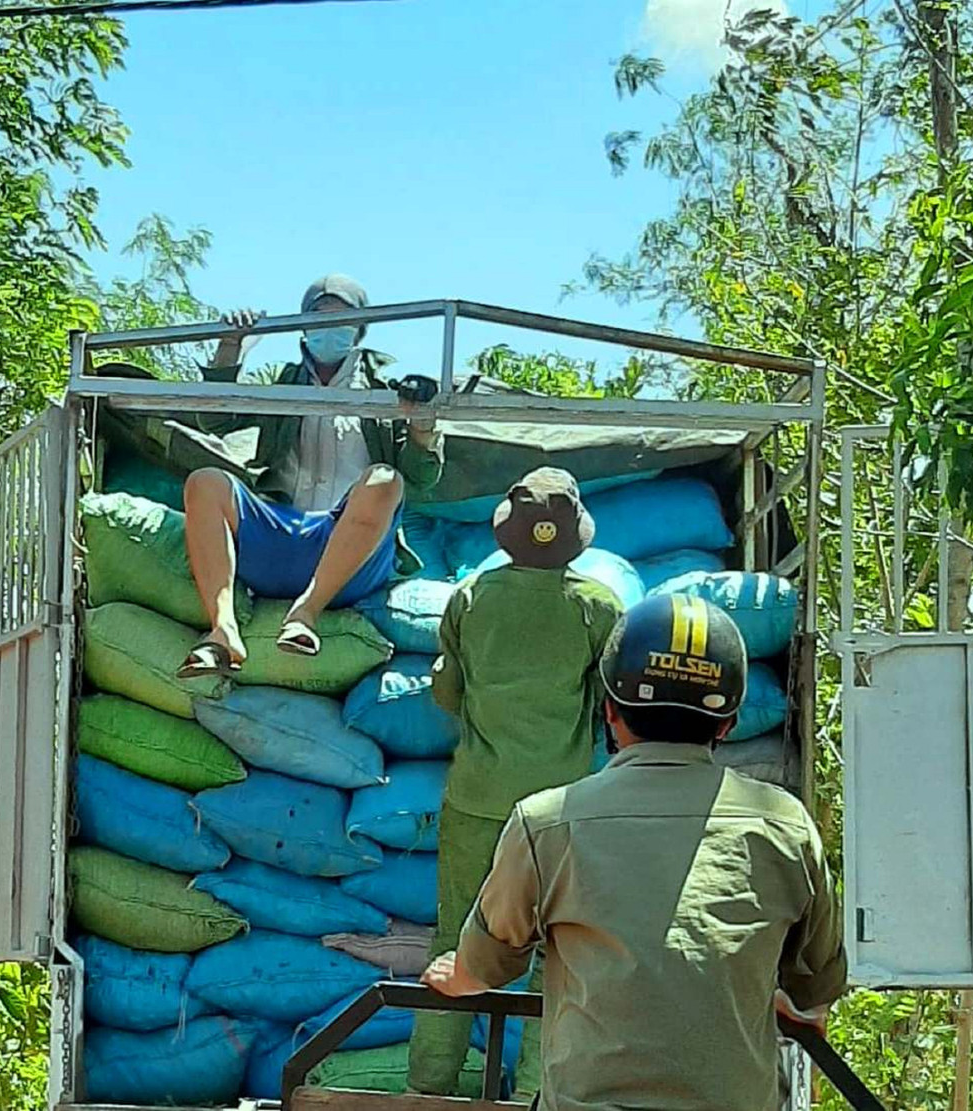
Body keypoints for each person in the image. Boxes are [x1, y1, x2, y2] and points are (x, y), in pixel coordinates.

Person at [421, 592, 848, 1111]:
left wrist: (458, 975)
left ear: (609, 711)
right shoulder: (785, 825)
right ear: (728, 723)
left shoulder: (547, 823)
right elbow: (814, 989)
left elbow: (487, 965)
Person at [407, 468, 624, 1100]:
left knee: (456, 946)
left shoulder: (471, 598)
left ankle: (428, 1091)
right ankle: (534, 1094)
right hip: (563, 809)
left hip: (478, 800)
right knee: (556, 953)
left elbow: (447, 693)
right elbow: (609, 704)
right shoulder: (599, 608)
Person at [175, 274, 443, 677]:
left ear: (360, 328)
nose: (329, 326)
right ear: (303, 325)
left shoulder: (387, 392)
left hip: (351, 556)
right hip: (277, 538)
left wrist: (422, 424)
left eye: (341, 317)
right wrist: (230, 346)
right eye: (319, 316)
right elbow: (214, 419)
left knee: (386, 480)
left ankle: (306, 614)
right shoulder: (285, 384)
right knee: (205, 482)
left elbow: (421, 479)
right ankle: (223, 630)